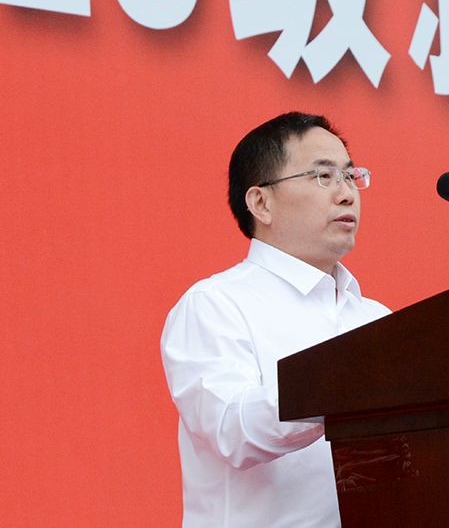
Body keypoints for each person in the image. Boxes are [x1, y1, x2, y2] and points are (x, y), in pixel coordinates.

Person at [161, 112, 391, 528]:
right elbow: (231, 431)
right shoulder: (215, 305)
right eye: (323, 176)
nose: (346, 194)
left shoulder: (377, 320)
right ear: (261, 203)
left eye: (350, 176)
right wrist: (342, 382)